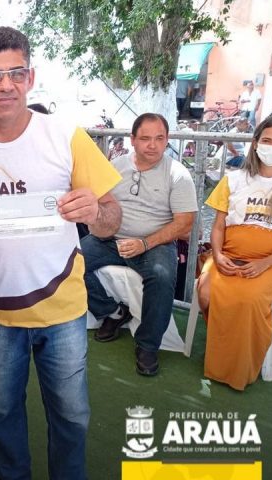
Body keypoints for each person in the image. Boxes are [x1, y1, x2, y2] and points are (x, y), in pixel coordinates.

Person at [0, 27, 122, 480]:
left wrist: (94, 211)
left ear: (31, 77)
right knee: (3, 409)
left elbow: (112, 218)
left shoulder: (66, 135)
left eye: (16, 73)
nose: (6, 85)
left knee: (72, 414)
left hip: (63, 309)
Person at [82, 113, 198, 376]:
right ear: (132, 139)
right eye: (145, 138)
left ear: (167, 140)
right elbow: (100, 203)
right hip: (110, 239)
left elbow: (184, 223)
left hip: (155, 243)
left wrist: (144, 243)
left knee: (161, 276)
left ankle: (148, 345)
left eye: (159, 138)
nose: (153, 145)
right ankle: (112, 311)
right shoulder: (115, 167)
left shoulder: (178, 174)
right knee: (69, 261)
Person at [197, 114, 272, 390]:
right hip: (228, 253)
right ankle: (223, 350)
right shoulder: (233, 180)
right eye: (267, 140)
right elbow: (218, 226)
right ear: (256, 143)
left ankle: (239, 368)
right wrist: (218, 254)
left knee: (248, 298)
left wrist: (265, 264)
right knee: (206, 293)